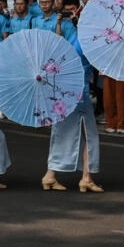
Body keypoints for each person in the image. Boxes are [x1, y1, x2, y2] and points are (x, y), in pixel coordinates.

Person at [41, 35, 102, 192]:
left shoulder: (75, 37)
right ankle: (86, 178)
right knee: (90, 135)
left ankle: (50, 175)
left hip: (64, 91)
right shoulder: (89, 40)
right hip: (79, 92)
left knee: (62, 132)